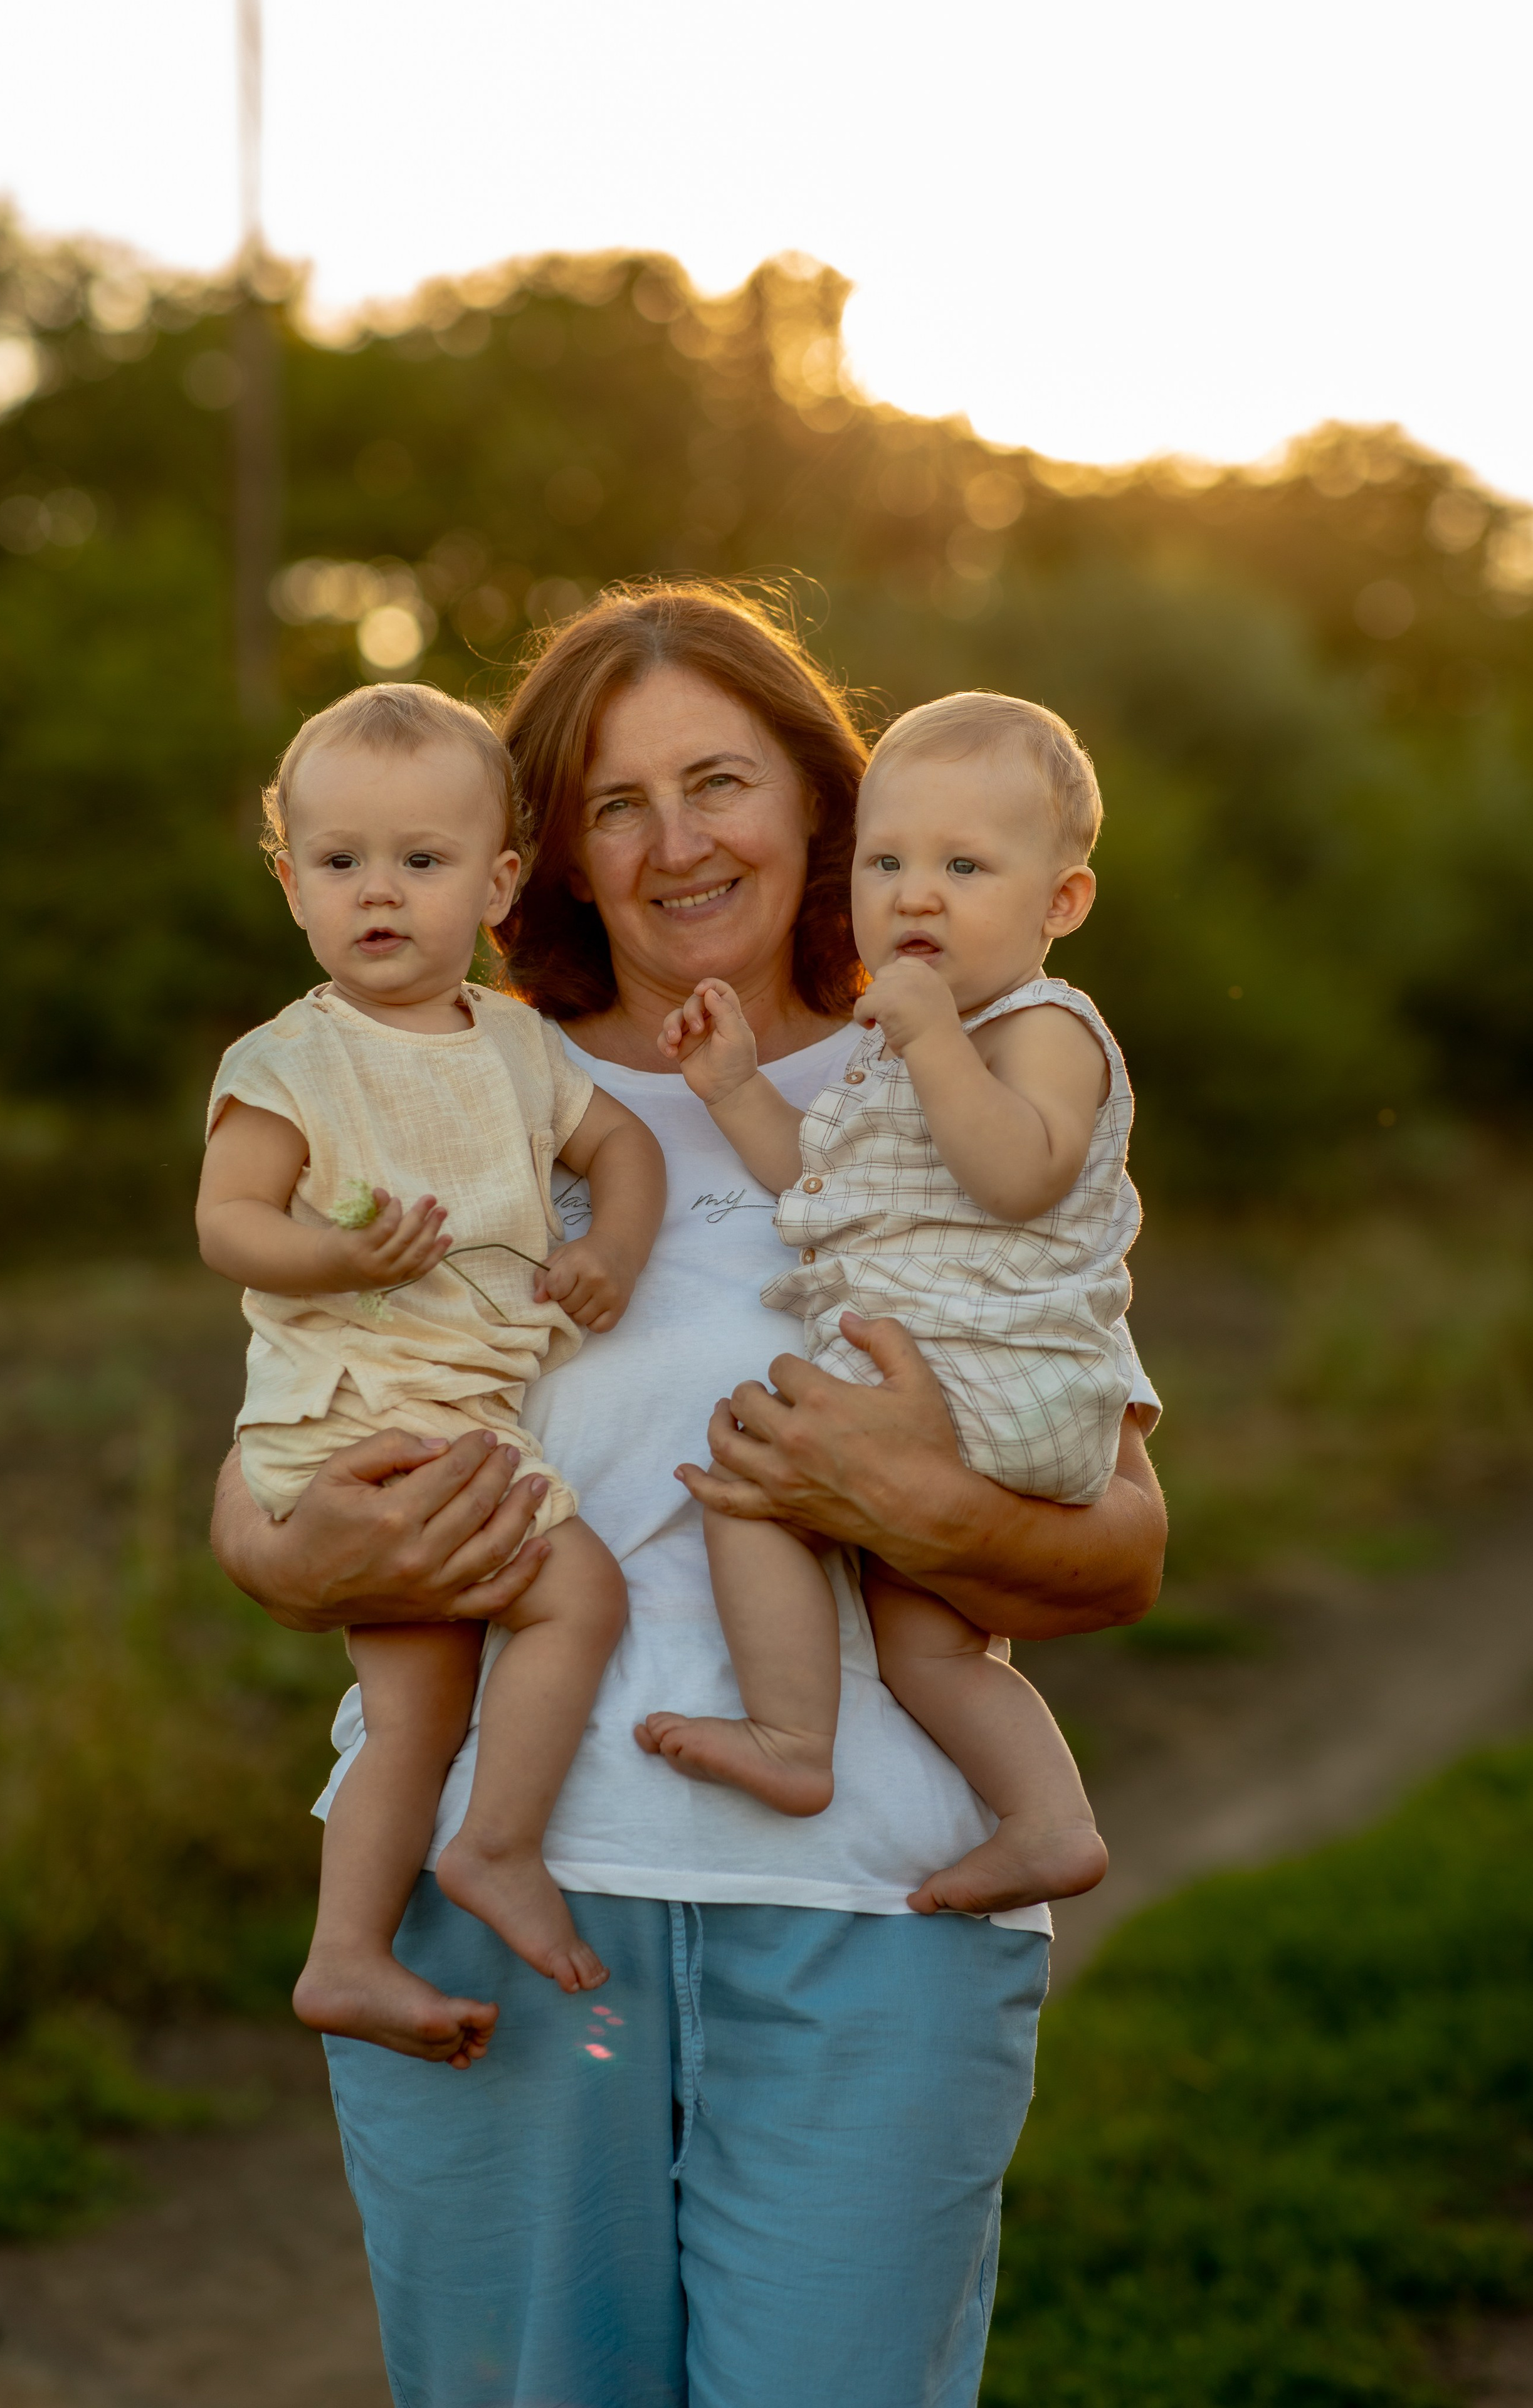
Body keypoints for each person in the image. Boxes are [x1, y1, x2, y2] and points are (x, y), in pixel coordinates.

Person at [210, 586, 1167, 2408]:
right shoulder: (440, 1064)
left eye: (720, 781)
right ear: (540, 851)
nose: (676, 844)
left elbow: (1124, 1541)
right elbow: (275, 1477)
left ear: (820, 800)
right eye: (612, 803)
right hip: (497, 1899)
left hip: (881, 1907)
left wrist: (911, 1504)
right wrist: (294, 1551)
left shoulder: (957, 1075)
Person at [197, 683, 665, 2053]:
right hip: (358, 1419)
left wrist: (614, 1252)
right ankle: (492, 1848)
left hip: (457, 1414)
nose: (378, 894)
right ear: (292, 886)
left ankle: (348, 1949)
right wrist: (332, 1260)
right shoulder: (291, 1058)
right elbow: (226, 1220)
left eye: (422, 860)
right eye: (340, 864)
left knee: (418, 1703)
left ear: (500, 881)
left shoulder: (518, 1046)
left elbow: (620, 1156)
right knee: (574, 1594)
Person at [641, 690, 1134, 1919]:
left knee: (749, 1472)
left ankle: (790, 1738)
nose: (916, 894)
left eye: (964, 865)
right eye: (887, 861)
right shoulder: (898, 1048)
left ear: (1057, 903)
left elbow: (1018, 1170)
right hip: (955, 1385)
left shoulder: (1044, 1028)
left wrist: (929, 1044)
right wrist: (732, 1087)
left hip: (991, 1372)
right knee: (928, 1643)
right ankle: (1048, 1820)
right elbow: (819, 1180)